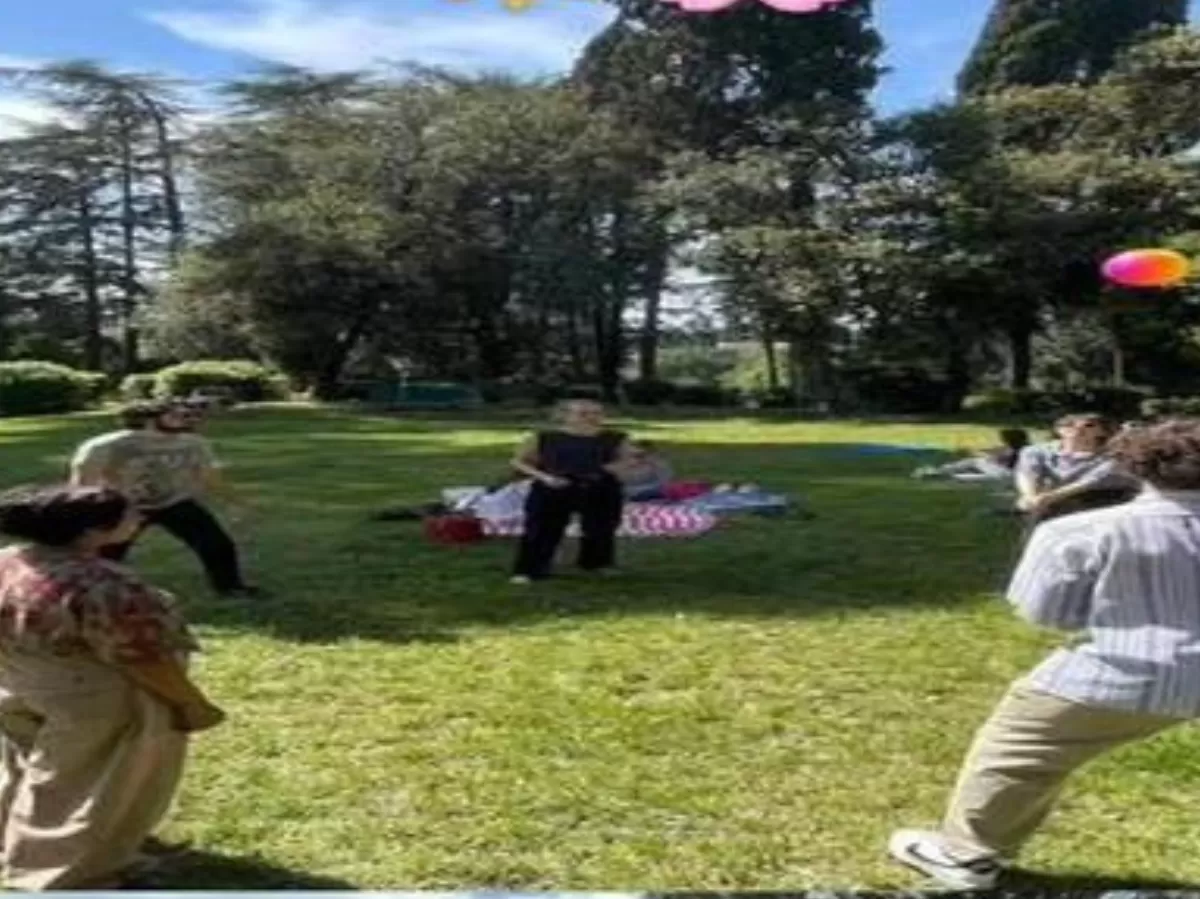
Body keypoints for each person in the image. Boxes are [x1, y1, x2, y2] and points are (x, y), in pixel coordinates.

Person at [888, 420, 1200, 889]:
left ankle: (966, 855)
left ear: (1135, 464)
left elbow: (1046, 612)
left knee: (1017, 750)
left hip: (1121, 671)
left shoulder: (1078, 530)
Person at [0, 485, 224, 890]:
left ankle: (13, 843)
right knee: (98, 783)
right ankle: (73, 877)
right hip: (95, 694)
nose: (139, 519)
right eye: (129, 515)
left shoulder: (8, 561)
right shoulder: (108, 584)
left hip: (18, 681)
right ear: (92, 531)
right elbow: (145, 658)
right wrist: (191, 703)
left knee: (32, 768)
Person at [69, 401, 263, 599]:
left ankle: (231, 587)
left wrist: (235, 501)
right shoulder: (103, 446)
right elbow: (82, 486)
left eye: (186, 416)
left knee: (216, 543)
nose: (185, 420)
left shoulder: (193, 443)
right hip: (124, 504)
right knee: (106, 552)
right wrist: (91, 514)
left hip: (173, 501)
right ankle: (90, 594)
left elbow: (208, 477)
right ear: (148, 420)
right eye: (176, 416)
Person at [510, 399, 632, 584]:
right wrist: (545, 478)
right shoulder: (545, 438)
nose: (590, 418)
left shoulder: (616, 438)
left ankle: (597, 564)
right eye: (583, 413)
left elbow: (629, 459)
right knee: (542, 528)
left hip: (599, 486)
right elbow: (519, 462)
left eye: (596, 413)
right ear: (565, 416)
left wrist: (612, 468)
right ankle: (530, 569)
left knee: (601, 527)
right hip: (554, 486)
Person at [1014, 413, 1137, 525]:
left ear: (1102, 431)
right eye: (1069, 424)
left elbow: (1094, 481)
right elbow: (1027, 472)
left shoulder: (1113, 456)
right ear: (1059, 430)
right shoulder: (1036, 451)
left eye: (1089, 425)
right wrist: (1030, 497)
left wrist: (1046, 499)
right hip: (1048, 502)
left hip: (1099, 502)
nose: (1078, 428)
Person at [913, 429, 1030, 482]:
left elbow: (997, 458)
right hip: (1014, 476)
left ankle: (939, 473)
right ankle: (942, 474)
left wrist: (976, 452)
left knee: (976, 462)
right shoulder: (1024, 447)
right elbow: (997, 450)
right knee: (980, 474)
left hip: (1008, 475)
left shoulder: (1016, 450)